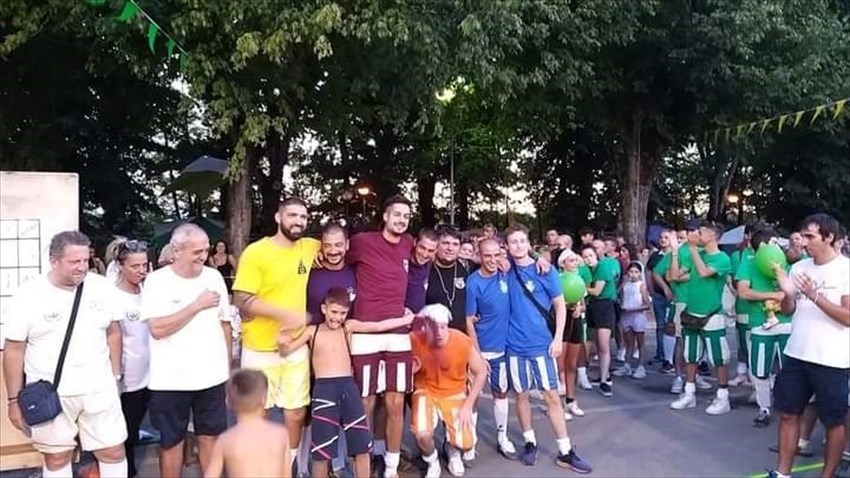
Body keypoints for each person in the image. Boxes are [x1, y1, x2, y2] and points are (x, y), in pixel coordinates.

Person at [3, 231, 128, 478]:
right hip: (52, 392)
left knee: (113, 451)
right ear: (54, 261)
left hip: (100, 389)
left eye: (85, 260)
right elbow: (14, 349)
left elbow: (114, 332)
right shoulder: (28, 294)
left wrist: (116, 376)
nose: (82, 267)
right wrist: (13, 401)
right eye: (74, 262)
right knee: (57, 456)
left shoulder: (102, 288)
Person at [280, 288, 414, 478]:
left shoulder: (348, 327)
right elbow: (286, 350)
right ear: (324, 308)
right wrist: (282, 338)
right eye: (334, 312)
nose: (338, 317)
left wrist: (405, 320)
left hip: (348, 387)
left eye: (342, 313)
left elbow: (377, 326)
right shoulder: (312, 331)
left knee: (361, 445)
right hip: (323, 391)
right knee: (322, 450)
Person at [232, 197, 320, 476]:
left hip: (295, 347)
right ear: (278, 217)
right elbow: (241, 299)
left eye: (303, 217)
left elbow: (339, 246)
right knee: (256, 413)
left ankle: (287, 465)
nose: (299, 221)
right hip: (259, 348)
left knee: (296, 412)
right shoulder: (256, 252)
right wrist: (285, 315)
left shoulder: (310, 247)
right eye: (292, 215)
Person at [140, 223, 233, 477]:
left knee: (211, 437)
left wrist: (226, 371)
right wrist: (196, 305)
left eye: (206, 250)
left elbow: (225, 325)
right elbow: (157, 329)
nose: (203, 256)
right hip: (171, 380)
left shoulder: (214, 277)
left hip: (211, 377)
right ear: (176, 251)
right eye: (196, 252)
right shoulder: (157, 282)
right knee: (172, 442)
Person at [504, 224, 591, 473]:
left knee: (552, 395)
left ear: (528, 242)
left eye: (522, 241)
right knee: (521, 395)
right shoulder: (505, 268)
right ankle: (529, 441)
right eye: (513, 242)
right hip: (514, 345)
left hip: (541, 344)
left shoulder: (545, 270)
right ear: (507, 246)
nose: (518, 246)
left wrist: (557, 338)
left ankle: (565, 450)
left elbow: (560, 305)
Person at [768, 214, 850, 478]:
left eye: (810, 236)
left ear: (829, 237)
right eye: (802, 236)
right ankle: (782, 473)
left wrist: (815, 295)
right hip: (797, 353)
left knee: (833, 422)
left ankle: (828, 474)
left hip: (832, 359)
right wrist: (787, 293)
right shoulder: (799, 267)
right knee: (788, 414)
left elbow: (847, 317)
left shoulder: (845, 270)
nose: (803, 242)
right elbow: (788, 310)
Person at [345, 195, 415, 478]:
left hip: (398, 334)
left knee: (396, 403)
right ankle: (364, 462)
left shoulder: (408, 243)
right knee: (365, 402)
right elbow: (333, 253)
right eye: (397, 214)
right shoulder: (362, 241)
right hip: (365, 332)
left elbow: (435, 255)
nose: (401, 220)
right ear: (385, 216)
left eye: (406, 216)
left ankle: (391, 467)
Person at [411, 304, 488, 478]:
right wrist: (411, 371)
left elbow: (481, 371)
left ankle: (452, 449)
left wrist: (468, 405)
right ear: (425, 327)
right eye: (434, 327)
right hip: (426, 391)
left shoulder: (461, 341)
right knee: (422, 434)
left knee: (466, 443)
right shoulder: (414, 340)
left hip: (454, 393)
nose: (439, 333)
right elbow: (401, 374)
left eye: (443, 327)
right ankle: (432, 461)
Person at [670, 221, 733, 415]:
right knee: (690, 355)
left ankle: (723, 396)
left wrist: (692, 249)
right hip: (692, 312)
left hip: (712, 314)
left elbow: (705, 272)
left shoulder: (722, 258)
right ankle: (689, 393)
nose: (696, 235)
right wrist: (675, 253)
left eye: (701, 232)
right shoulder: (695, 253)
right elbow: (674, 276)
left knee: (719, 357)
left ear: (713, 236)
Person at [465, 238, 519, 460]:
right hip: (479, 351)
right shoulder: (472, 283)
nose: (493, 260)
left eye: (497, 254)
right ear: (479, 256)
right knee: (473, 397)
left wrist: (541, 260)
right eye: (487, 255)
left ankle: (502, 438)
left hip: (502, 350)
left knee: (501, 393)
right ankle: (470, 441)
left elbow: (527, 262)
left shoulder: (507, 274)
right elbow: (469, 321)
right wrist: (477, 355)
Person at [735, 228, 789, 428]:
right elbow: (743, 292)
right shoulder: (748, 264)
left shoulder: (786, 262)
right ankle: (764, 408)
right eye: (774, 242)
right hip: (760, 325)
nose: (778, 246)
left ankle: (790, 408)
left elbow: (793, 292)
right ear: (764, 245)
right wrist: (774, 295)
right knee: (760, 370)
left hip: (787, 324)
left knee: (790, 370)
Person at [204, 369, 291, 478]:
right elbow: (287, 474)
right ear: (263, 399)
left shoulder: (226, 440)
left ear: (229, 402)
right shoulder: (280, 434)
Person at [114, 239, 152, 477]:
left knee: (136, 427)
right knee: (124, 432)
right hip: (128, 378)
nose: (141, 271)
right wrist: (116, 374)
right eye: (135, 266)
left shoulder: (150, 291)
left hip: (153, 374)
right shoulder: (112, 296)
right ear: (120, 265)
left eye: (144, 265)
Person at [555, 249, 589, 418]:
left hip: (575, 322)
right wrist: (566, 306)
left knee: (572, 364)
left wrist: (579, 309)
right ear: (563, 263)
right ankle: (557, 404)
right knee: (559, 365)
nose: (575, 263)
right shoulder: (557, 279)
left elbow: (583, 304)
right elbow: (553, 303)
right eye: (571, 260)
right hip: (561, 322)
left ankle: (571, 400)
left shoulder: (579, 280)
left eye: (576, 260)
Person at [582, 242, 619, 397]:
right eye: (585, 257)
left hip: (604, 306)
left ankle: (605, 381)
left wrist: (581, 287)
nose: (588, 259)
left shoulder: (602, 267)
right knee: (597, 343)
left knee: (603, 346)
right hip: (593, 306)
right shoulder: (588, 270)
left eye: (590, 255)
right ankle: (604, 375)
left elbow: (597, 291)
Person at [425, 226, 472, 333]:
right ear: (437, 245)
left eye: (455, 244)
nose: (450, 248)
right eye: (446, 243)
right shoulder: (425, 270)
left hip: (460, 336)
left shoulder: (467, 268)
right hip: (432, 335)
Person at [613, 262, 650, 379]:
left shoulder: (641, 285)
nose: (633, 274)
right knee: (629, 342)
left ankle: (641, 366)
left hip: (637, 317)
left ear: (640, 273)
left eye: (636, 272)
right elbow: (619, 295)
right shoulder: (626, 285)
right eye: (631, 272)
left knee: (640, 342)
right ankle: (627, 365)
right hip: (626, 316)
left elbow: (647, 305)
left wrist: (633, 309)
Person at [729, 226, 756, 388]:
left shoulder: (769, 255)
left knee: (756, 345)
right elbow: (734, 280)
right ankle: (741, 374)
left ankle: (756, 381)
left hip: (761, 308)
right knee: (742, 342)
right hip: (743, 306)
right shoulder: (737, 255)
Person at [404, 228, 439, 313]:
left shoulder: (429, 263)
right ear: (415, 242)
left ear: (436, 251)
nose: (425, 254)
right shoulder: (402, 262)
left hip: (418, 317)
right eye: (422, 248)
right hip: (399, 316)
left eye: (430, 250)